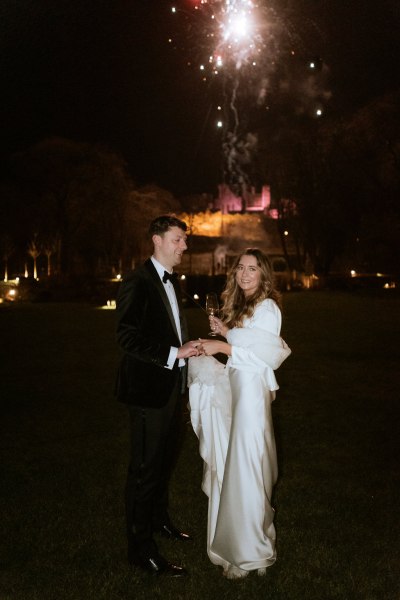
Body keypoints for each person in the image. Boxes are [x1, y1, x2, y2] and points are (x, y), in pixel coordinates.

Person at [188, 248, 291, 579]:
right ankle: (241, 542)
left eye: (253, 269)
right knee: (237, 466)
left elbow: (264, 358)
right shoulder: (245, 305)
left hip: (250, 396)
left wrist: (223, 344)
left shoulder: (268, 307)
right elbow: (245, 348)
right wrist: (223, 333)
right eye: (241, 268)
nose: (245, 274)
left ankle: (251, 553)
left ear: (263, 275)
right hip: (237, 388)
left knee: (247, 467)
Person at [115, 215, 201, 578]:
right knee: (144, 471)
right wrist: (173, 355)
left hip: (172, 389)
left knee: (164, 463)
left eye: (184, 240)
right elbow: (127, 337)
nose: (184, 246)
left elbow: (165, 329)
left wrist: (187, 347)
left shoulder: (171, 281)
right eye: (178, 240)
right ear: (157, 240)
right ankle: (140, 549)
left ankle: (159, 520)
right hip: (149, 393)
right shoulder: (138, 281)